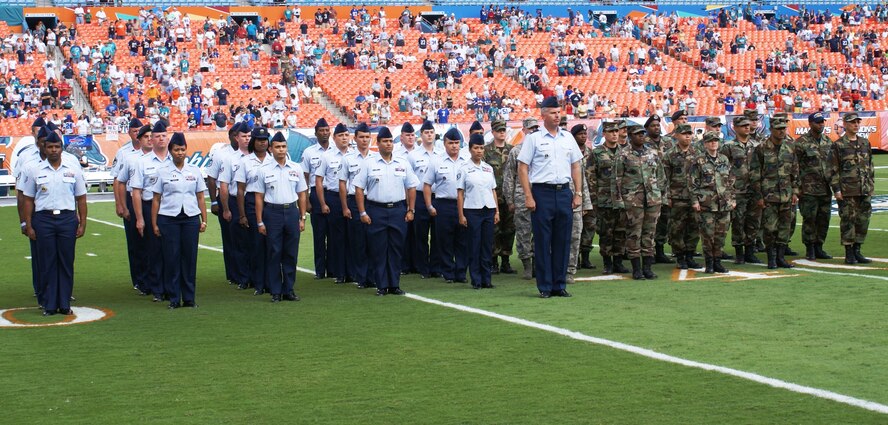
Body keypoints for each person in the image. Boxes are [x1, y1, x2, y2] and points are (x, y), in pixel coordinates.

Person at [517, 96, 583, 298]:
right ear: (543, 114)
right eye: (553, 112)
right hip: (542, 193)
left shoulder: (567, 138)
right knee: (543, 241)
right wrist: (528, 195)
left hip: (564, 192)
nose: (557, 116)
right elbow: (523, 167)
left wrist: (578, 192)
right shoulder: (534, 138)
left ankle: (559, 284)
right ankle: (545, 286)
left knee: (563, 240)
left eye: (559, 112)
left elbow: (576, 165)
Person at [21, 132, 87, 316]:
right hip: (44, 219)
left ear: (61, 147)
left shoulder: (73, 168)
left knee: (66, 262)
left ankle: (64, 303)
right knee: (47, 262)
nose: (53, 150)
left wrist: (82, 222)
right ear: (44, 148)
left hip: (67, 219)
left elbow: (81, 198)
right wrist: (29, 224)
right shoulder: (35, 170)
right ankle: (50, 304)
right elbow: (28, 200)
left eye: (57, 146)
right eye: (50, 147)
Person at [355, 127, 419, 296]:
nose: (389, 144)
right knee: (379, 249)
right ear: (378, 143)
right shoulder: (369, 163)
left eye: (391, 141)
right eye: (385, 141)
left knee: (396, 249)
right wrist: (362, 212)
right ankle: (382, 285)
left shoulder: (402, 163)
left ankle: (394, 284)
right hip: (376, 210)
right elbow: (359, 188)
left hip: (398, 210)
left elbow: (412, 187)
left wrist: (411, 209)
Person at [150, 132, 208, 309]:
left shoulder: (194, 171)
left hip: (190, 218)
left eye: (183, 149)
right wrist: (154, 223)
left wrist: (204, 219)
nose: (180, 153)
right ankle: (174, 298)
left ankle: (189, 298)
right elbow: (156, 199)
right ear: (171, 151)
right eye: (176, 150)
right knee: (172, 258)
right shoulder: (163, 172)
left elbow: (200, 197)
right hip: (169, 218)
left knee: (189, 259)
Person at [256, 132, 309, 302]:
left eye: (283, 146)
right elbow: (258, 197)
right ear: (271, 149)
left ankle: (289, 289)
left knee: (291, 253)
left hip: (292, 212)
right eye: (277, 147)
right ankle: (275, 291)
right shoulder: (263, 170)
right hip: (272, 213)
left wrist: (302, 217)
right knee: (274, 252)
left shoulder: (296, 168)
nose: (281, 150)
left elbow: (302, 194)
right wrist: (259, 221)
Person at [613, 125, 665, 280]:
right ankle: (636, 268)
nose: (641, 136)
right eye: (637, 134)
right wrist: (618, 201)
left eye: (643, 133)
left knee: (649, 233)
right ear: (630, 136)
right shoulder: (623, 155)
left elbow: (661, 176)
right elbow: (616, 180)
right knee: (634, 234)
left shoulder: (652, 153)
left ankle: (647, 268)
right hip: (632, 201)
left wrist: (661, 195)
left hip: (652, 200)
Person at [131, 120, 171, 301]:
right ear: (151, 140)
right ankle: (157, 289)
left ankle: (171, 285)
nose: (161, 139)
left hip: (171, 208)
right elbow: (136, 192)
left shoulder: (175, 158)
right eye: (157, 136)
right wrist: (139, 218)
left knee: (171, 250)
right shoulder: (142, 162)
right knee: (154, 250)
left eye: (163, 136)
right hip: (149, 207)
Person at [751, 117, 798, 269]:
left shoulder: (790, 147)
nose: (781, 131)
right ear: (771, 130)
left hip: (786, 194)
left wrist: (795, 192)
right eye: (778, 129)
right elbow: (755, 174)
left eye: (783, 128)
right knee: (770, 228)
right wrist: (759, 196)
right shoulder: (761, 148)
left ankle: (780, 257)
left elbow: (795, 171)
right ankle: (771, 258)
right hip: (769, 195)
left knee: (785, 227)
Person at [423, 127, 468, 283]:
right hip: (443, 204)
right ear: (444, 144)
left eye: (456, 143)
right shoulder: (436, 161)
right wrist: (429, 206)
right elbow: (427, 185)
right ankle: (448, 272)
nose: (454, 146)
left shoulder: (466, 160)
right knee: (445, 240)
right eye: (451, 143)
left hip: (463, 205)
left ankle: (461, 272)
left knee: (462, 240)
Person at [831, 113, 874, 264]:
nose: (856, 125)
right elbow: (833, 170)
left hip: (864, 189)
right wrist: (836, 189)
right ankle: (849, 252)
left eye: (857, 122)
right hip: (847, 190)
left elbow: (870, 166)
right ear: (845, 124)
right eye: (852, 122)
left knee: (863, 220)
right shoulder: (839, 145)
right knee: (848, 221)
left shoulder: (864, 143)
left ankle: (857, 250)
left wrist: (871, 185)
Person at [235, 126, 273, 295]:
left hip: (271, 203)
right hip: (251, 203)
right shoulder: (245, 161)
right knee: (256, 245)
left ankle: (271, 281)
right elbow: (241, 190)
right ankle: (259, 283)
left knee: (272, 245)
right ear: (253, 141)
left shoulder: (275, 159)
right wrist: (242, 214)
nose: (262, 143)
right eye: (259, 140)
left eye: (265, 140)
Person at [458, 134, 499, 289]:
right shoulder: (464, 169)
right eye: (476, 148)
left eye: (481, 148)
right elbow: (460, 193)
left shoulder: (488, 168)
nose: (479, 151)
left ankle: (486, 279)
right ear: (470, 150)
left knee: (487, 246)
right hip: (472, 210)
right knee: (474, 245)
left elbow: (493, 190)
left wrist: (497, 211)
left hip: (488, 209)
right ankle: (476, 279)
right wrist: (461, 214)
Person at [690, 132, 735, 273]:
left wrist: (732, 199)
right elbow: (692, 182)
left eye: (715, 141)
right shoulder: (699, 160)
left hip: (724, 204)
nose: (713, 143)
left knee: (721, 235)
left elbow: (730, 181)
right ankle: (709, 263)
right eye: (710, 141)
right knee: (708, 236)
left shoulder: (724, 159)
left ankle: (717, 262)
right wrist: (695, 201)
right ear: (705, 144)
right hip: (707, 204)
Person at [720, 116, 762, 264]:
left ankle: (750, 251)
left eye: (748, 125)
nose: (747, 128)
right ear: (735, 128)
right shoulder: (728, 146)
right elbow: (722, 168)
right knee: (738, 222)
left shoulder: (757, 145)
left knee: (753, 222)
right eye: (743, 125)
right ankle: (739, 253)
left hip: (754, 190)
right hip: (737, 191)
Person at [588, 121, 629, 274]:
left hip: (622, 200)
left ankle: (618, 262)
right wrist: (593, 200)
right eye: (611, 132)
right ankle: (607, 263)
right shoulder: (597, 153)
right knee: (606, 233)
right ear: (604, 134)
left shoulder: (625, 152)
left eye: (616, 131)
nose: (614, 134)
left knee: (620, 232)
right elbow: (591, 177)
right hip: (604, 200)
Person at [338, 123, 375, 289]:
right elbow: (342, 184)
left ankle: (374, 275)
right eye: (361, 137)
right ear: (355, 138)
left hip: (373, 201)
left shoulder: (376, 158)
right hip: (354, 201)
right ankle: (362, 277)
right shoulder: (348, 159)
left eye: (367, 137)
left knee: (374, 240)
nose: (365, 140)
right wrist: (345, 207)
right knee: (358, 241)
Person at [110, 118, 145, 290]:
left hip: (150, 199)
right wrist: (120, 205)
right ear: (129, 133)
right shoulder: (124, 153)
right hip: (131, 198)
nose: (137, 133)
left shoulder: (151, 150)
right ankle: (138, 279)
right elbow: (118, 180)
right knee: (134, 242)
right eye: (134, 130)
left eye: (140, 130)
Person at [315, 123, 353, 283]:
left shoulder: (354, 155)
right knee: (337, 237)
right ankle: (339, 272)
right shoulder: (327, 156)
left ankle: (352, 271)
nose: (344, 138)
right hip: (334, 198)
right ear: (334, 138)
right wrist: (323, 203)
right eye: (340, 135)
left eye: (346, 135)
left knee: (353, 236)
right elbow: (318, 181)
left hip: (352, 199)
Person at [795, 112, 835, 261]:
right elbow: (795, 167)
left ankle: (819, 247)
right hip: (808, 189)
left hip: (825, 188)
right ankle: (810, 248)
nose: (821, 125)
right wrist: (797, 187)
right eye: (818, 122)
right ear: (810, 123)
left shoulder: (828, 141)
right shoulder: (801, 143)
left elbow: (832, 165)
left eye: (822, 122)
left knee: (824, 219)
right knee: (810, 219)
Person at [502, 117, 538, 279]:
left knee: (539, 232)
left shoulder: (542, 149)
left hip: (540, 196)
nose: (533, 132)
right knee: (523, 232)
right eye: (530, 129)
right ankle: (527, 266)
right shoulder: (516, 151)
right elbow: (509, 177)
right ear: (523, 131)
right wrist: (509, 200)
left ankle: (538, 263)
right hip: (521, 197)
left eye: (536, 129)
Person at [205, 123, 240, 285]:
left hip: (246, 199)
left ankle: (247, 272)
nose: (243, 138)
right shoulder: (221, 154)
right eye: (239, 135)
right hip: (227, 199)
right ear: (232, 135)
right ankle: (233, 274)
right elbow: (211, 178)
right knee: (230, 237)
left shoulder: (249, 152)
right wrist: (213, 201)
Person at [663, 124, 701, 269]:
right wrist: (667, 197)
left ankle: (690, 255)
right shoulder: (670, 154)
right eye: (684, 134)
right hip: (677, 197)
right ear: (677, 135)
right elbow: (664, 178)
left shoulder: (697, 153)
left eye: (689, 134)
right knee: (677, 228)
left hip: (695, 197)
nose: (687, 136)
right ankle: (680, 257)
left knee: (694, 227)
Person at [219, 123, 252, 289]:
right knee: (239, 242)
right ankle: (243, 278)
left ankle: (256, 276)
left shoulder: (260, 157)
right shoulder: (229, 159)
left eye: (249, 136)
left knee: (256, 241)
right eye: (243, 136)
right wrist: (225, 208)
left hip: (254, 201)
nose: (247, 139)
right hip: (235, 200)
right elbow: (223, 185)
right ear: (236, 138)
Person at [408, 121, 442, 278]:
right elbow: (409, 181)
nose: (429, 135)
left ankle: (435, 266)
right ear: (420, 135)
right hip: (420, 197)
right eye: (426, 132)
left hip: (438, 196)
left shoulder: (441, 154)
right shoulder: (413, 155)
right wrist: (411, 205)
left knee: (438, 233)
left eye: (431, 132)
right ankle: (422, 267)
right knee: (420, 234)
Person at [483, 120, 517, 274]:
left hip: (509, 196)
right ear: (493, 132)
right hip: (493, 196)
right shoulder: (486, 151)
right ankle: (493, 261)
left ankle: (506, 260)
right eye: (498, 130)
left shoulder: (513, 150)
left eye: (503, 130)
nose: (501, 133)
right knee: (494, 230)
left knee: (509, 230)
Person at [302, 118, 333, 279]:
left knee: (334, 233)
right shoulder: (309, 152)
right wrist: (306, 200)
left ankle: (334, 268)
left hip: (334, 193)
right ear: (316, 133)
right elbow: (305, 177)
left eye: (327, 130)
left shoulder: (337, 149)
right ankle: (320, 270)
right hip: (315, 193)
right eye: (321, 131)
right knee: (319, 234)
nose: (325, 133)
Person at [643, 114, 674, 264]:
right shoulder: (643, 143)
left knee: (664, 219)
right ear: (647, 128)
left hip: (666, 186)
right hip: (649, 187)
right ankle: (649, 251)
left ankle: (660, 250)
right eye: (653, 125)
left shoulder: (668, 142)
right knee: (650, 221)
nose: (656, 128)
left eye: (657, 125)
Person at [567, 124, 594, 284]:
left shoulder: (590, 153)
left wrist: (586, 202)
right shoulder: (567, 153)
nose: (584, 136)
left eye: (585, 133)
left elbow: (584, 180)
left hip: (584, 196)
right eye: (580, 134)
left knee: (584, 230)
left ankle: (582, 260)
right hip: (567, 197)